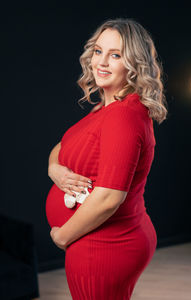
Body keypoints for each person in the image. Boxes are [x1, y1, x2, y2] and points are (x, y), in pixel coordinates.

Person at [45, 17, 168, 300]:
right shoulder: (107, 106)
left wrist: (63, 236)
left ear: (135, 64)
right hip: (101, 241)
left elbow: (110, 197)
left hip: (105, 246)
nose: (101, 62)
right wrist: (55, 169)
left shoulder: (123, 117)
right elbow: (61, 147)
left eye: (115, 55)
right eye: (98, 51)